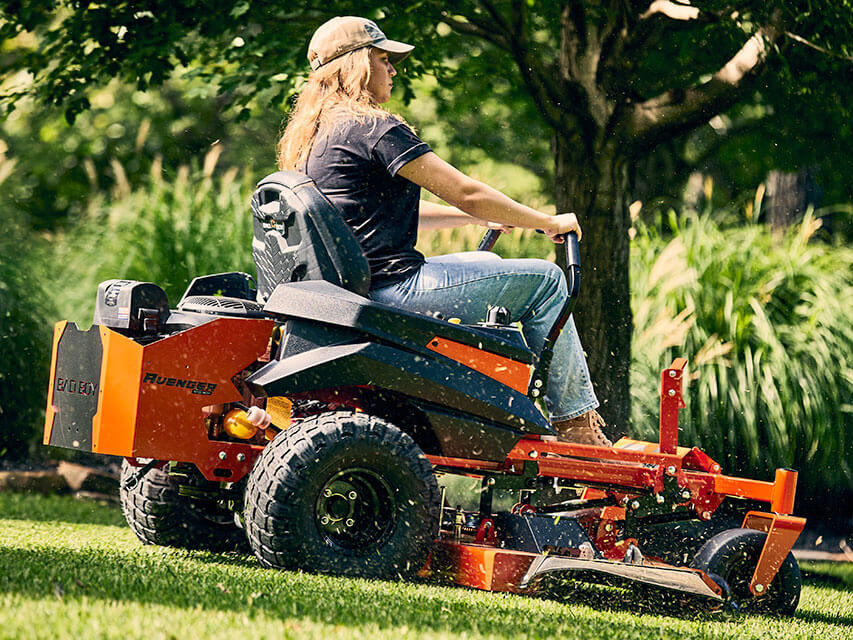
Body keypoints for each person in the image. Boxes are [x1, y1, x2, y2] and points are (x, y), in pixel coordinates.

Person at [276, 16, 610, 446]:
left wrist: (476, 220)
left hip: (347, 298)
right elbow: (466, 191)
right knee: (546, 281)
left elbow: (378, 216)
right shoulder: (373, 128)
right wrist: (548, 222)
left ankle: (502, 397)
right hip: (393, 292)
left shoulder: (314, 139)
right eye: (384, 59)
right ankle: (576, 424)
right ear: (356, 64)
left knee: (487, 261)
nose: (394, 70)